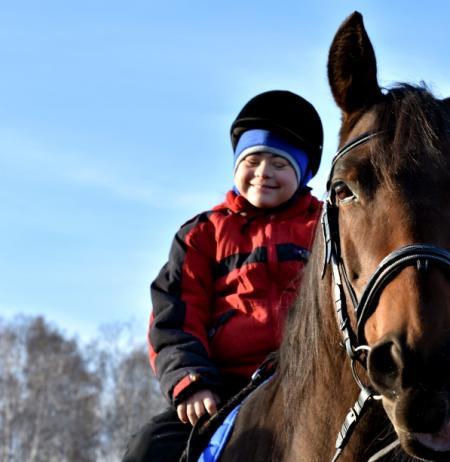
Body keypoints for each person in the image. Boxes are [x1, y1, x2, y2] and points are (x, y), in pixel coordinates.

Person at [122, 90, 324, 462]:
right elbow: (176, 318)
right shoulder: (203, 235)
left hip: (311, 378)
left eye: (279, 163)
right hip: (225, 386)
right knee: (149, 447)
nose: (264, 173)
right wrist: (192, 382)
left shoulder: (327, 229)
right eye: (253, 160)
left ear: (303, 172)